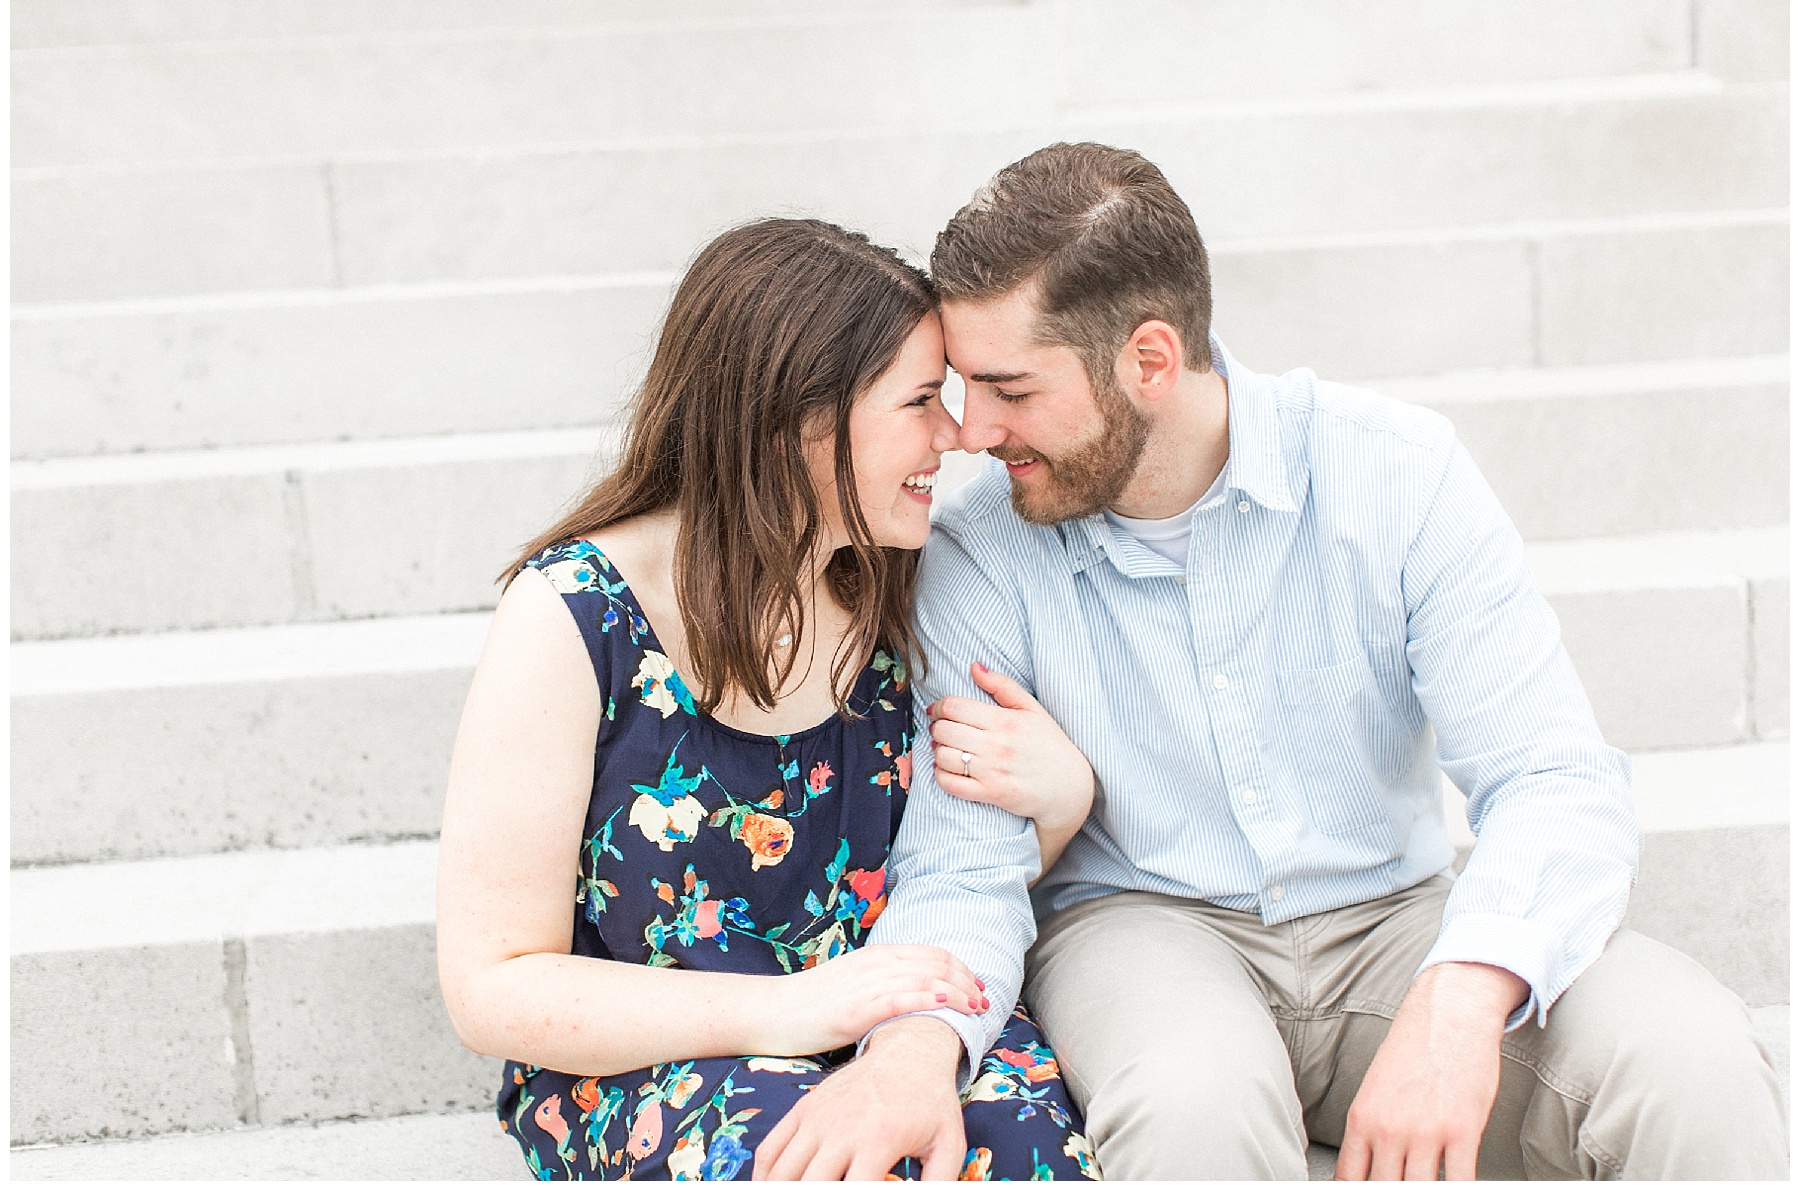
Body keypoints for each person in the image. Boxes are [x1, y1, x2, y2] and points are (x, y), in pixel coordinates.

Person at [753, 144, 1789, 1180]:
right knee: (1191, 1104)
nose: (971, 431)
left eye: (1008, 389)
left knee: (1690, 1056)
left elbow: (1556, 776)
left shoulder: (1396, 474)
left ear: (1149, 361)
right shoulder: (980, 546)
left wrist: (1463, 994)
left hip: (1394, 917)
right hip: (1140, 926)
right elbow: (964, 862)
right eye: (963, 388)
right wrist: (910, 1056)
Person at [434, 217, 1100, 1181]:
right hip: (658, 1059)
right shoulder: (576, 618)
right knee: (809, 1165)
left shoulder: (897, 586)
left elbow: (950, 872)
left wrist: (1061, 804)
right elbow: (490, 984)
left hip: (886, 1023)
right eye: (919, 401)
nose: (954, 436)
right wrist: (790, 1009)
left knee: (1019, 1146)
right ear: (801, 424)